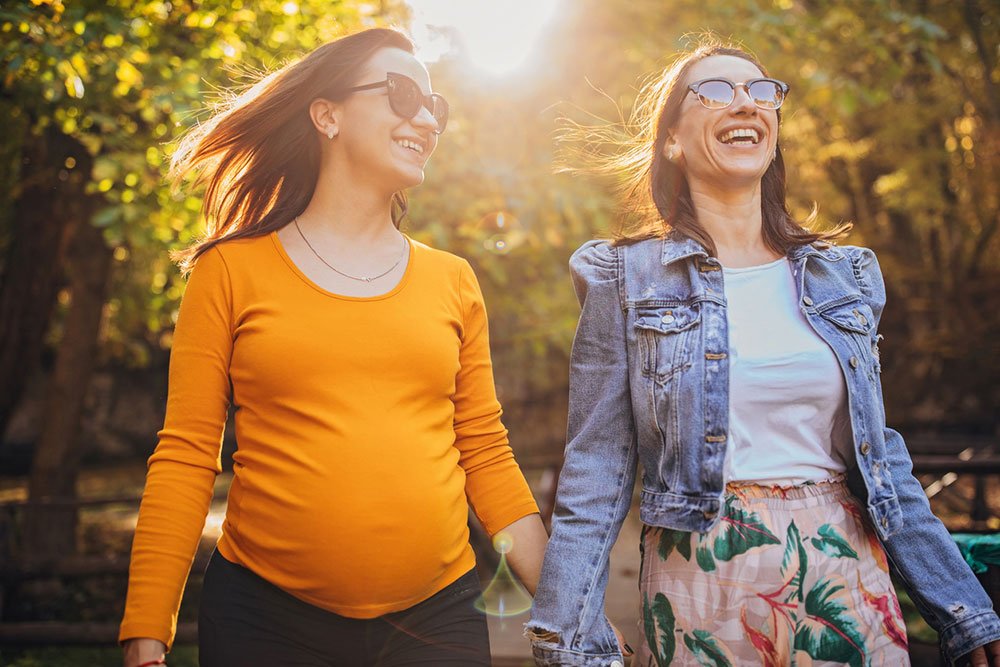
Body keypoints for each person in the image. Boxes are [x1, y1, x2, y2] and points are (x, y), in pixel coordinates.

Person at [527, 41, 1000, 666]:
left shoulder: (844, 277)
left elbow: (881, 458)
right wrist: (567, 631)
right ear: (671, 140)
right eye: (717, 90)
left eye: (761, 90)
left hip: (844, 565)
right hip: (700, 575)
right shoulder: (625, 278)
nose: (746, 101)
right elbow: (597, 471)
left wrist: (961, 608)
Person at [119, 27, 548, 667]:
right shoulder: (230, 271)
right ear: (327, 114)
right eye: (403, 93)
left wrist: (573, 609)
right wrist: (146, 635)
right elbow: (185, 455)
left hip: (439, 619)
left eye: (437, 106)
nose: (426, 117)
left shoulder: (453, 279)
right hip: (266, 621)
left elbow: (484, 452)